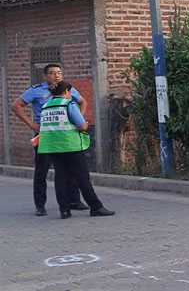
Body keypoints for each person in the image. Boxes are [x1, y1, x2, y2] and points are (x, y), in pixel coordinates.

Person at [10, 63, 86, 216]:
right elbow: (16, 105)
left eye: (59, 72)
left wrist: (78, 118)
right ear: (45, 76)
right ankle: (40, 205)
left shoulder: (67, 89)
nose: (56, 75)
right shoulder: (37, 91)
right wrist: (31, 124)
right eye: (52, 73)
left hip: (64, 137)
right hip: (45, 135)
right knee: (41, 171)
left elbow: (82, 101)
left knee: (68, 169)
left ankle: (74, 201)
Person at [38, 81, 114, 219]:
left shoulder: (45, 106)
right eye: (70, 92)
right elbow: (82, 126)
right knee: (82, 177)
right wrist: (83, 124)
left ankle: (64, 210)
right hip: (70, 145)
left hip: (52, 146)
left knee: (60, 177)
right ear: (66, 91)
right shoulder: (69, 104)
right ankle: (96, 207)